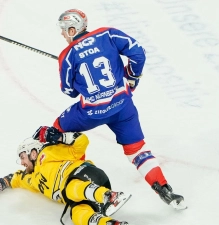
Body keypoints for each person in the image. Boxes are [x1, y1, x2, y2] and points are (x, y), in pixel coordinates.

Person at [52, 9, 186, 210]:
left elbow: (68, 91)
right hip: (123, 106)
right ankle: (165, 189)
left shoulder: (67, 55)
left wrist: (78, 77)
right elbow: (138, 54)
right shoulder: (108, 34)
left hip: (90, 113)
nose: (62, 34)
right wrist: (131, 78)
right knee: (137, 149)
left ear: (72, 29)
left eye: (64, 30)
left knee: (57, 129)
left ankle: (74, 178)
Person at [0, 128, 131, 225]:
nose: (22, 163)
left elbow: (82, 141)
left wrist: (59, 137)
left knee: (69, 188)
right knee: (77, 214)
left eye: (22, 157)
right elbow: (17, 178)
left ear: (33, 152)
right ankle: (111, 223)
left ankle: (110, 196)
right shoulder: (32, 179)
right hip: (81, 195)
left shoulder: (48, 153)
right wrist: (0, 182)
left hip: (88, 175)